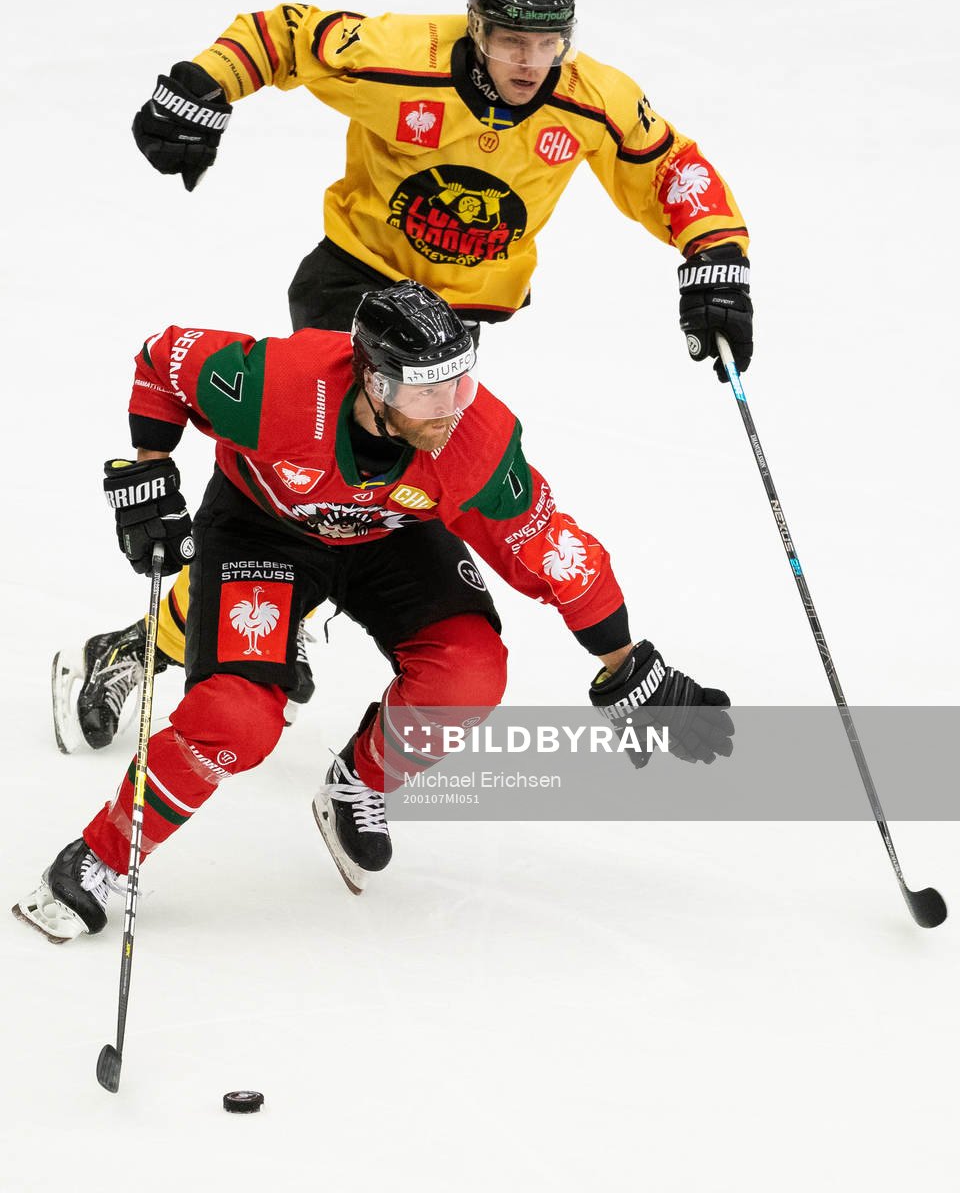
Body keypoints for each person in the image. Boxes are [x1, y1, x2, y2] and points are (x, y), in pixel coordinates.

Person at [53, 0, 753, 751]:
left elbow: (667, 162)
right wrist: (207, 82)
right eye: (511, 42)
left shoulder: (592, 99)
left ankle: (211, 627)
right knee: (334, 497)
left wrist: (717, 255)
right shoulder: (399, 59)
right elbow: (286, 33)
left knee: (367, 501)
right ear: (476, 27)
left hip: (452, 330)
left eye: (549, 42)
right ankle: (188, 637)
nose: (532, 62)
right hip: (354, 299)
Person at [17, 282, 733, 941]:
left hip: (390, 534)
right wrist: (149, 467)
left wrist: (627, 665)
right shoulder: (278, 388)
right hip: (267, 529)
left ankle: (359, 781)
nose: (452, 408)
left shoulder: (471, 438)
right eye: (428, 395)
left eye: (462, 381)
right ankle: (96, 859)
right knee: (236, 719)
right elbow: (161, 360)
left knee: (471, 675)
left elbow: (546, 546)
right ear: (374, 382)